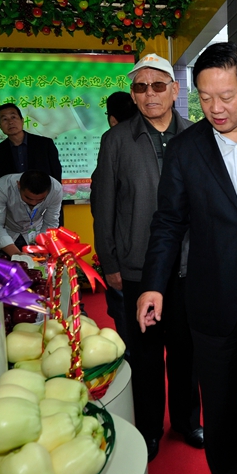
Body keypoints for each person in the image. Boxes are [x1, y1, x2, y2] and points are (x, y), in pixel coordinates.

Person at [136, 43, 237, 474]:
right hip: (211, 295)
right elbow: (168, 222)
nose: (215, 108)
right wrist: (153, 284)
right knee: (220, 405)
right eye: (205, 97)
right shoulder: (185, 149)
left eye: (226, 96)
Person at [90, 54, 202, 461]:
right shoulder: (116, 141)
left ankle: (188, 420)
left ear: (174, 90)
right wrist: (110, 263)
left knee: (187, 352)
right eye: (141, 87)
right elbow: (103, 205)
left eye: (158, 85)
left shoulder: (197, 135)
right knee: (146, 354)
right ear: (133, 95)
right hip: (137, 266)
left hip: (189, 266)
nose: (150, 94)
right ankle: (150, 427)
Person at [92, 90, 140, 349]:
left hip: (124, 256)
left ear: (112, 119)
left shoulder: (112, 141)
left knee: (128, 321)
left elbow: (102, 210)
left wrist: (110, 263)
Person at [0, 169, 61, 257]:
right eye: (28, 198)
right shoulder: (2, 187)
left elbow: (51, 222)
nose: (33, 203)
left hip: (36, 233)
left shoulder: (56, 190)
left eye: (40, 200)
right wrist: (18, 255)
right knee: (2, 264)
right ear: (19, 185)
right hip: (6, 233)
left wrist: (43, 246)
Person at [0, 103, 62, 182]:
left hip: (43, 190)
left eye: (13, 117)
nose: (10, 122)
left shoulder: (45, 144)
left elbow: (56, 176)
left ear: (22, 120)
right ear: (0, 126)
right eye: (4, 119)